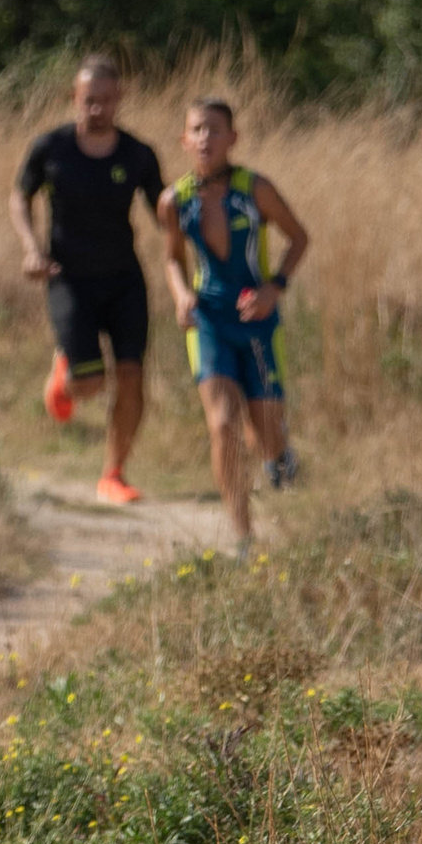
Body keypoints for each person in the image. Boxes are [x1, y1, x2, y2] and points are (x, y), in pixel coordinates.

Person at [9, 55, 167, 504]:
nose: (97, 109)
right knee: (91, 383)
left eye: (106, 100)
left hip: (124, 279)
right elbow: (20, 196)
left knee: (132, 374)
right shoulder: (51, 148)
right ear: (75, 99)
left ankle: (113, 474)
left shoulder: (138, 153)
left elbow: (163, 213)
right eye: (89, 100)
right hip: (68, 277)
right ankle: (66, 371)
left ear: (119, 100)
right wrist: (31, 248)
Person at [160, 96, 311, 547]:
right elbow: (171, 258)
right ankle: (243, 534)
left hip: (259, 321)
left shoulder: (255, 189)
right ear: (184, 140)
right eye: (197, 130)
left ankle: (280, 461)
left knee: (266, 431)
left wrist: (275, 287)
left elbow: (299, 237)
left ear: (233, 138)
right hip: (209, 322)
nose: (206, 138)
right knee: (223, 423)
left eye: (215, 129)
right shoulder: (174, 199)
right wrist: (181, 293)